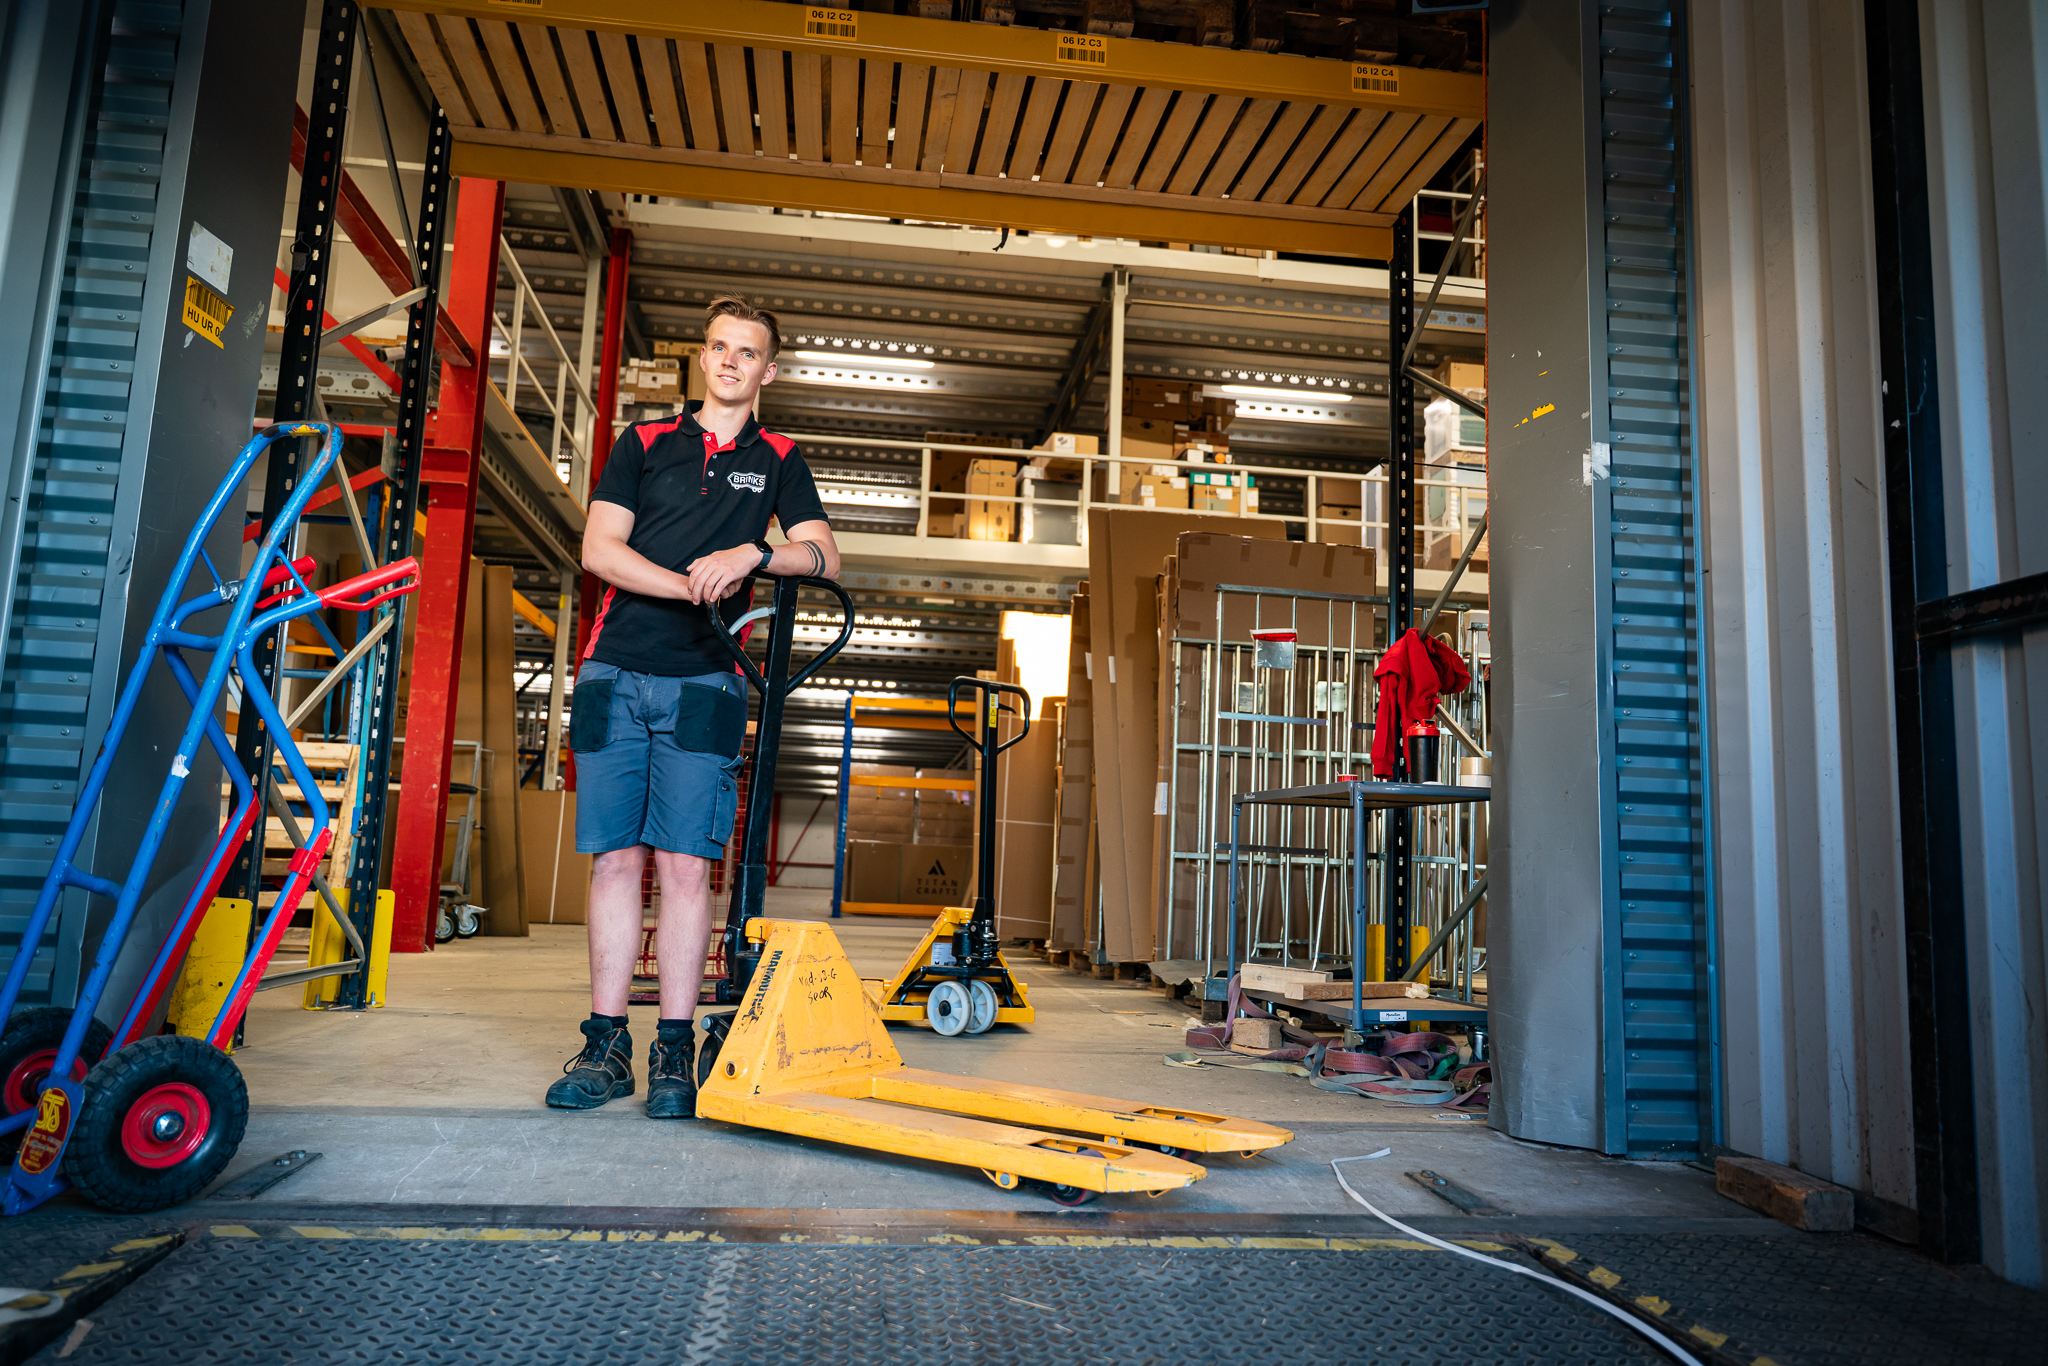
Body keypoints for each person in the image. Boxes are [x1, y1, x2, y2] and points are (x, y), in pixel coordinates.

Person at [547, 294, 839, 1118]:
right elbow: (599, 550)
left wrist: (753, 553)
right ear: (702, 358)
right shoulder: (643, 443)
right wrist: (691, 587)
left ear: (767, 371)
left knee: (684, 865)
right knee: (615, 862)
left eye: (747, 352)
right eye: (719, 347)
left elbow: (824, 554)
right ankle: (606, 1046)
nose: (730, 361)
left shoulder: (779, 458)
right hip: (615, 669)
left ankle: (674, 1049)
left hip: (709, 679)